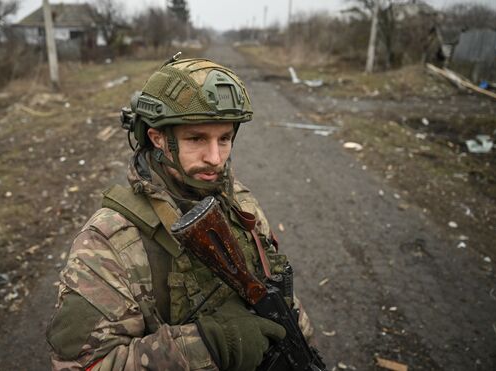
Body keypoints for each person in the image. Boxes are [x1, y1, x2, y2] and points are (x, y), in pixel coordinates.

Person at [46, 57, 315, 371]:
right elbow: (81, 364)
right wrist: (208, 346)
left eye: (224, 139)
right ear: (157, 137)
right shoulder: (110, 239)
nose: (215, 158)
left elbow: (278, 289)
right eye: (197, 138)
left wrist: (300, 339)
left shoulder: (240, 203)